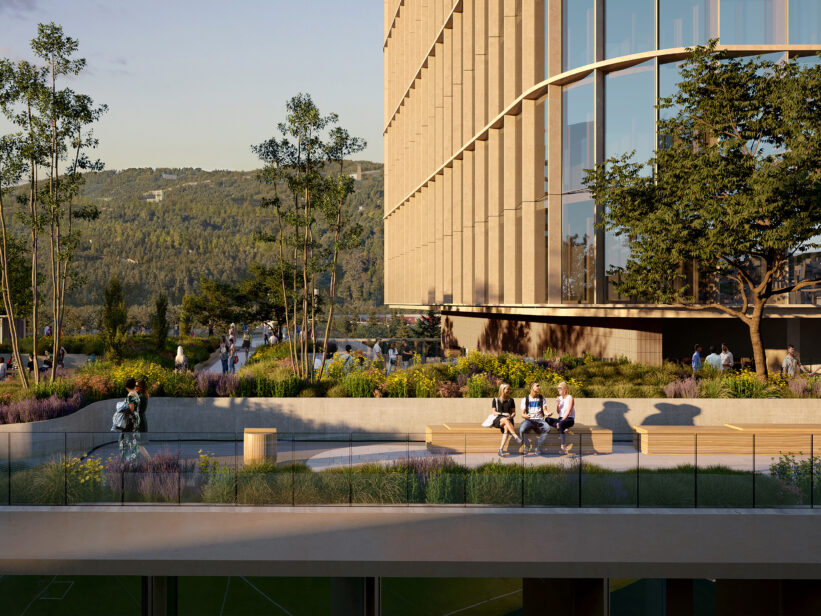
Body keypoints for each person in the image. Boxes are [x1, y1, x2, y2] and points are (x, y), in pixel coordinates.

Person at [489, 383, 522, 457]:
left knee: (506, 428)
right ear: (502, 389)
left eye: (509, 389)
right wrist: (504, 414)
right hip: (498, 420)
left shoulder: (511, 400)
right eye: (507, 389)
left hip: (509, 420)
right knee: (505, 419)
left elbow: (514, 413)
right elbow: (494, 412)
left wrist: (511, 416)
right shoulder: (495, 400)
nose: (509, 390)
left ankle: (500, 450)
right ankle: (515, 436)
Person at [518, 382, 550, 454]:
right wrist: (526, 416)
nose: (539, 387)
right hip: (529, 420)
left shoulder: (542, 398)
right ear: (532, 387)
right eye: (537, 386)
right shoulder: (525, 399)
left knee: (547, 428)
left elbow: (545, 410)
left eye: (539, 385)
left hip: (539, 420)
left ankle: (538, 447)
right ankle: (527, 446)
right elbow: (522, 414)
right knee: (522, 430)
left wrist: (548, 414)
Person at [546, 382, 576, 455]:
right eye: (558, 389)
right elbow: (558, 411)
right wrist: (558, 403)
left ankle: (563, 447)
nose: (558, 390)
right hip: (561, 418)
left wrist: (561, 421)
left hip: (569, 419)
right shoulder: (559, 398)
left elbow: (568, 412)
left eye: (560, 388)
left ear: (565, 389)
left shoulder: (570, 398)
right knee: (547, 419)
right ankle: (564, 427)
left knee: (561, 423)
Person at [119, 377, 141, 462]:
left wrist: (122, 409)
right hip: (136, 418)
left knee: (125, 440)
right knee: (134, 439)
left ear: (126, 386)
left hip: (130, 420)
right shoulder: (136, 393)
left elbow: (131, 409)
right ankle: (134, 460)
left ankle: (128, 461)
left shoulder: (130, 395)